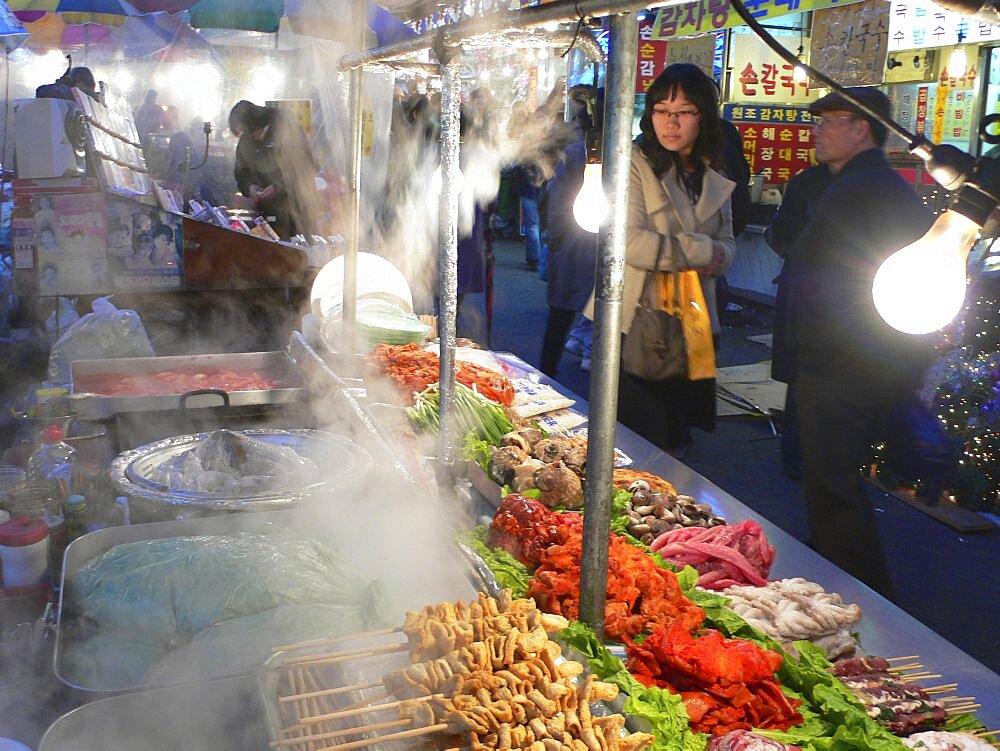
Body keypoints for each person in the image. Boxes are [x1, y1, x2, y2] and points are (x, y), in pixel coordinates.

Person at [784, 87, 935, 596]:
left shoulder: (858, 186)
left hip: (841, 360)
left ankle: (861, 600)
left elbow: (804, 253)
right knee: (831, 480)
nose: (817, 130)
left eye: (830, 120)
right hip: (862, 356)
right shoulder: (874, 183)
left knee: (832, 487)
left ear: (861, 128)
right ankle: (833, 577)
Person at [598, 63, 735, 453]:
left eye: (683, 112)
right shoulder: (635, 163)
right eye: (661, 110)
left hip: (696, 319)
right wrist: (704, 251)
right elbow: (629, 242)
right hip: (640, 320)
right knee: (639, 436)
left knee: (678, 434)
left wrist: (712, 251)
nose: (669, 122)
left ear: (703, 116)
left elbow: (730, 245)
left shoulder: (713, 171)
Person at [764, 154, 834, 479]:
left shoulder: (811, 181)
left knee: (806, 379)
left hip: (815, 295)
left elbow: (778, 235)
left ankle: (801, 458)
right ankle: (802, 458)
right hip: (816, 296)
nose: (819, 132)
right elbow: (779, 235)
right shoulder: (809, 181)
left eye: (829, 122)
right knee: (807, 379)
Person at [538, 92, 603, 377]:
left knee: (560, 317)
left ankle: (546, 375)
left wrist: (554, 237)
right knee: (602, 315)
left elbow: (556, 197)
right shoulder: (626, 153)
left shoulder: (575, 154)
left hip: (574, 246)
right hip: (599, 246)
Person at [229, 100, 320, 240]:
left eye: (254, 132)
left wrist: (278, 187)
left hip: (296, 211)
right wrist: (250, 187)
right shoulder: (246, 139)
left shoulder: (288, 130)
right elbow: (242, 171)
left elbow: (305, 168)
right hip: (266, 212)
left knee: (295, 253)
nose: (252, 137)